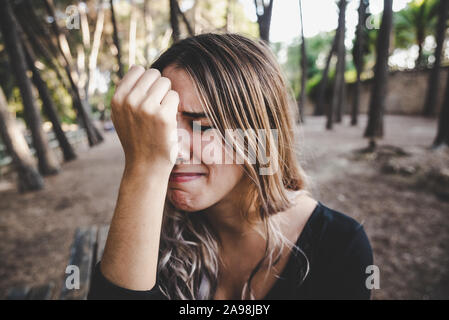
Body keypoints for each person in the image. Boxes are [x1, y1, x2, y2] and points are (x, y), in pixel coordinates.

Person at [87, 33, 373, 300]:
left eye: (203, 126)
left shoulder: (339, 248)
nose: (171, 150)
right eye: (160, 126)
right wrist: (142, 172)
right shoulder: (150, 232)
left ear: (260, 134)